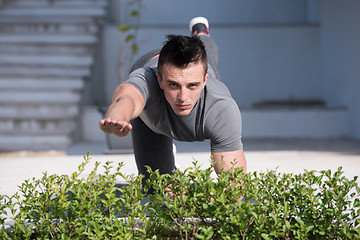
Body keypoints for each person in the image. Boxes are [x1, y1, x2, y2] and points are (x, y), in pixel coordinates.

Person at [99, 17, 246, 185]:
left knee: (205, 51)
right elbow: (127, 97)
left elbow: (235, 186)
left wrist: (206, 199)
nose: (182, 97)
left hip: (202, 74)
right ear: (159, 79)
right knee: (155, 188)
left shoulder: (221, 108)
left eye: (192, 86)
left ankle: (201, 33)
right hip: (153, 113)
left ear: (204, 81)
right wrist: (118, 116)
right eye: (174, 85)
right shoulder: (146, 79)